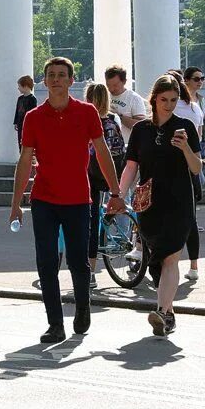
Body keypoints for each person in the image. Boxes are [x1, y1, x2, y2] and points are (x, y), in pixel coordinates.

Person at [9, 57, 124, 344]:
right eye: (51, 75)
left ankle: (83, 307)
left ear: (72, 81)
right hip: (44, 199)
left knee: (78, 261)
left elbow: (102, 152)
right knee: (46, 262)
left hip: (77, 199)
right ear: (44, 81)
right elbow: (25, 161)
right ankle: (55, 324)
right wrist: (16, 204)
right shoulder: (33, 117)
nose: (56, 79)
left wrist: (116, 192)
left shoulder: (86, 113)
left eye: (62, 75)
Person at [117, 75, 203, 339]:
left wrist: (186, 147)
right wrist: (118, 195)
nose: (168, 105)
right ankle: (168, 314)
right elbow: (131, 166)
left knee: (170, 257)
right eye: (164, 100)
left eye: (174, 100)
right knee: (158, 260)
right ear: (153, 99)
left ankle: (162, 312)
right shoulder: (142, 130)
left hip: (179, 201)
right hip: (149, 202)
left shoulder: (184, 126)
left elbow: (197, 167)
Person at [176, 67, 205, 282]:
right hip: (191, 165)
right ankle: (192, 265)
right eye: (197, 79)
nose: (201, 81)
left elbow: (201, 136)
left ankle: (142, 248)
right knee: (189, 217)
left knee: (185, 218)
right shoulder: (192, 109)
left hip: (186, 167)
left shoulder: (193, 108)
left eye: (202, 78)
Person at [84, 82, 127, 285]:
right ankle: (122, 236)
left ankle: (91, 272)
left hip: (92, 175)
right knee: (117, 205)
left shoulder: (85, 120)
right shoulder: (114, 119)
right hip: (113, 173)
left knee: (91, 223)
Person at [104, 65, 148, 134]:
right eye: (108, 85)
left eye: (115, 85)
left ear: (124, 81)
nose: (111, 89)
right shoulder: (104, 96)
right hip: (108, 143)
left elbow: (142, 126)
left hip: (128, 143)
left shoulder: (134, 98)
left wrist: (117, 115)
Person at [12, 75, 37, 147]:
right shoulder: (20, 98)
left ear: (25, 86)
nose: (18, 88)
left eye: (19, 86)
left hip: (27, 124)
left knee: (27, 141)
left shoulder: (32, 99)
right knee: (20, 140)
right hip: (20, 124)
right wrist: (15, 122)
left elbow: (33, 113)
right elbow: (17, 111)